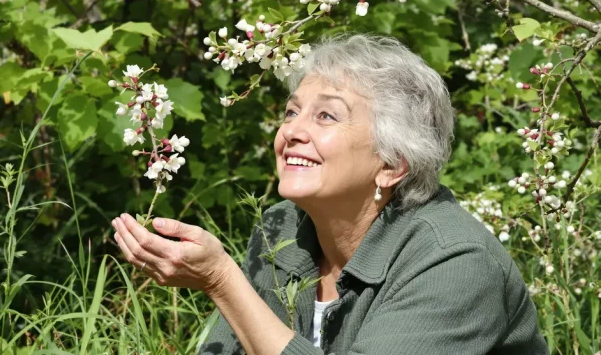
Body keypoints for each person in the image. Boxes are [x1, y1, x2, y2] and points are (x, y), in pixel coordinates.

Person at [110, 34, 549, 354]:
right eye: (292, 111)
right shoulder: (280, 225)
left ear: (393, 164)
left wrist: (222, 282)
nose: (292, 131)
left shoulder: (455, 262)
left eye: (326, 116)